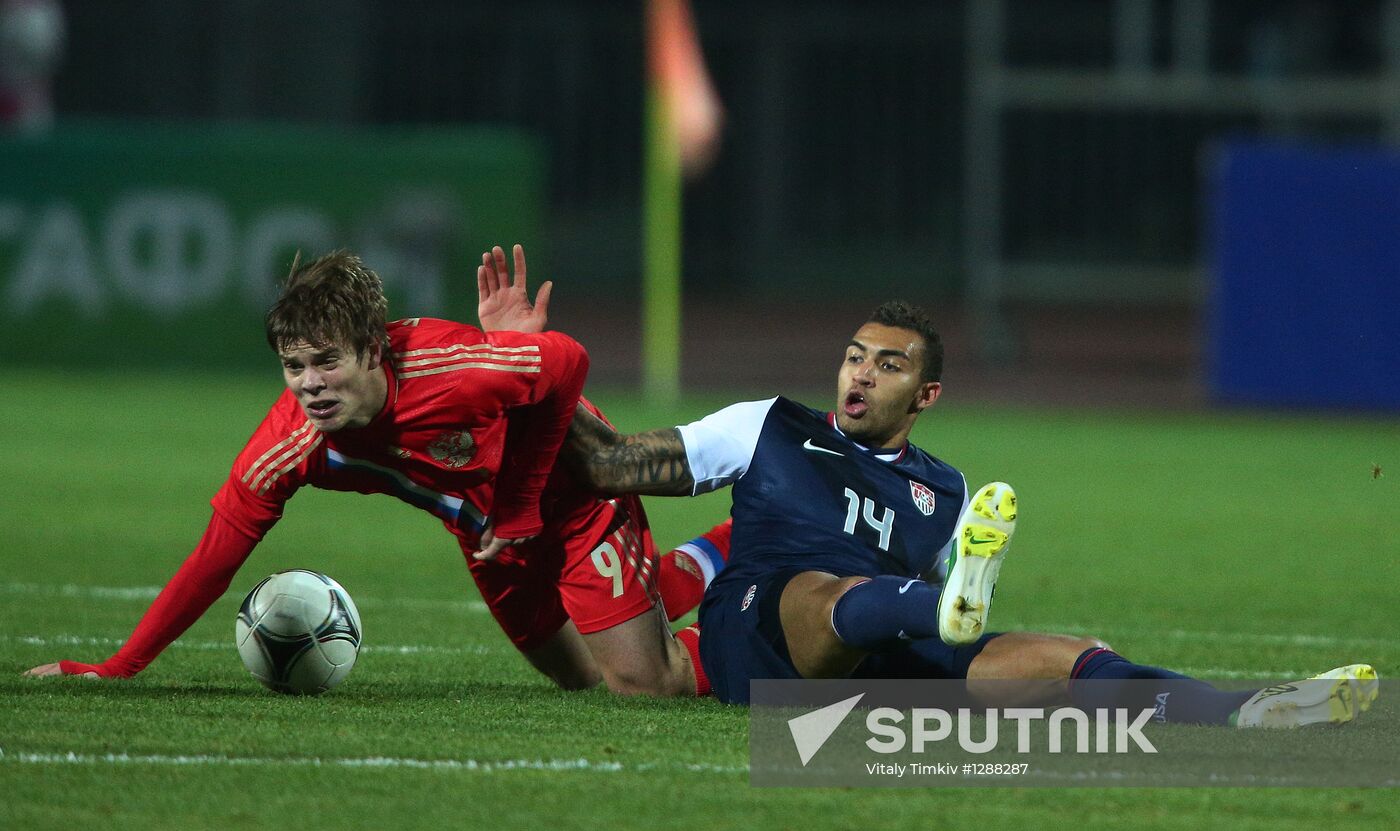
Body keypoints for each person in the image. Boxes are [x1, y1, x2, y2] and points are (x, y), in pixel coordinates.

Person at [561, 299, 1378, 727]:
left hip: (878, 650)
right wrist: (534, 365)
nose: (859, 376)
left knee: (1070, 656)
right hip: (759, 637)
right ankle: (934, 603)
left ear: (926, 395)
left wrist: (959, 649)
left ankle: (1248, 711)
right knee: (828, 590)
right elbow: (609, 465)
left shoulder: (948, 492)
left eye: (887, 367)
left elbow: (948, 633)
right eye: (854, 357)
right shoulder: (767, 425)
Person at [24, 246, 724, 698]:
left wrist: (518, 478)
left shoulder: (445, 374)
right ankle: (697, 564)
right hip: (482, 528)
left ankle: (743, 549)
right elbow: (214, 556)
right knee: (576, 674)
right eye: (294, 366)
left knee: (643, 683)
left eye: (327, 361)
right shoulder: (291, 440)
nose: (310, 384)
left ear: (372, 352)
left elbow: (566, 361)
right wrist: (117, 667)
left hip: (569, 496)